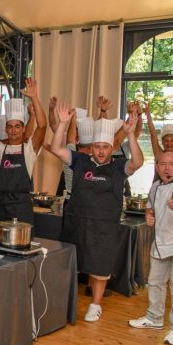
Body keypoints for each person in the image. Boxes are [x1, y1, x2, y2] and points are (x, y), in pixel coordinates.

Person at [49, 103, 142, 322]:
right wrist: (63, 123)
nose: (100, 151)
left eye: (105, 147)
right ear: (91, 147)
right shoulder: (80, 161)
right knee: (71, 263)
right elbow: (56, 149)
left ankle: (95, 305)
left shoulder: (119, 168)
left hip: (104, 225)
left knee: (99, 266)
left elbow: (137, 162)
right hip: (77, 222)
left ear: (112, 148)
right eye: (97, 146)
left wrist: (131, 135)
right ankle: (65, 300)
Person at [129, 152, 173, 345]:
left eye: (172, 164)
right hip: (161, 243)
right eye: (162, 164)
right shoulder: (154, 187)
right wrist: (149, 215)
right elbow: (151, 207)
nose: (167, 168)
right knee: (155, 282)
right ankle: (154, 319)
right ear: (157, 166)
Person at [0, 78, 46, 226]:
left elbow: (42, 126)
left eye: (17, 126)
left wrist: (34, 98)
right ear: (5, 129)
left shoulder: (30, 150)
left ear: (23, 129)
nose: (13, 130)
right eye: (10, 126)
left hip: (21, 207)